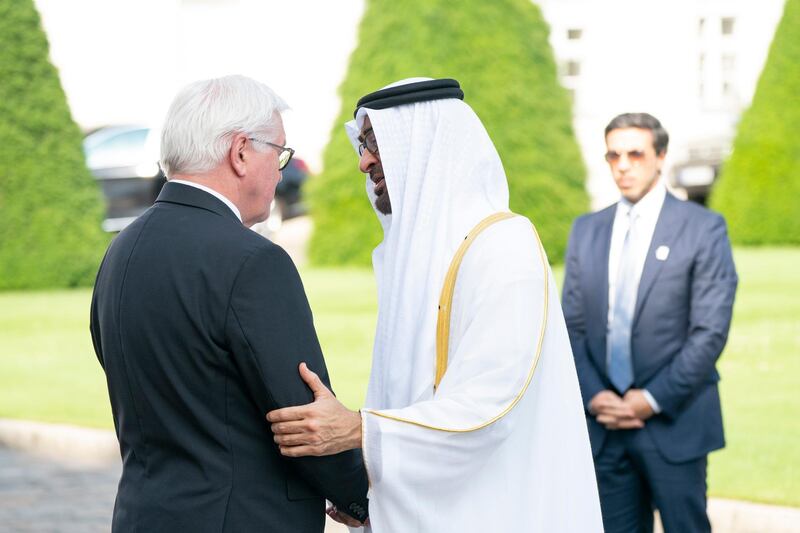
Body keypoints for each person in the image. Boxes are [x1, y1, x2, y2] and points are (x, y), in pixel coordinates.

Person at [267, 78, 603, 532]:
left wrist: (358, 431)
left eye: (374, 143)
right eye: (362, 145)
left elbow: (490, 407)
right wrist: (370, 490)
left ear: (425, 145)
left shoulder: (503, 245)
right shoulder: (412, 256)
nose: (364, 162)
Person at [89, 75, 368, 532]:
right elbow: (302, 414)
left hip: (142, 516)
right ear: (240, 152)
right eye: (278, 153)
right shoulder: (254, 261)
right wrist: (358, 496)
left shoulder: (121, 250)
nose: (281, 171)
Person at [561, 112, 738, 532]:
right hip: (604, 427)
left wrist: (651, 399)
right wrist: (594, 394)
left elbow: (709, 332)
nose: (623, 165)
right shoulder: (586, 230)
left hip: (674, 423)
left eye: (635, 154)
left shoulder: (704, 228)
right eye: (613, 155)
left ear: (660, 156)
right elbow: (572, 326)